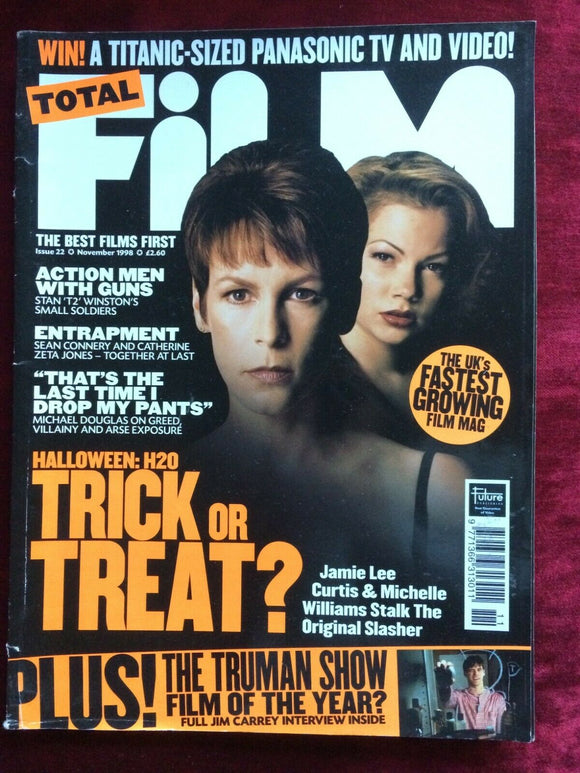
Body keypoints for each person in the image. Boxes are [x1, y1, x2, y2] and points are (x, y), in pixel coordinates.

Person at [181, 140, 470, 578]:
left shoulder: (436, 492)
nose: (270, 333)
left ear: (345, 304)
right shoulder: (147, 488)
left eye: (302, 294)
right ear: (200, 306)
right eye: (238, 294)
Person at [337, 151, 496, 448]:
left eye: (433, 266)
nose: (408, 289)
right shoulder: (305, 389)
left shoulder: (462, 383)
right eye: (384, 256)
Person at [435, 655, 507, 734]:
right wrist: (445, 684)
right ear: (465, 673)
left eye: (479, 669)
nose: (476, 674)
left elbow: (501, 730)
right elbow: (447, 701)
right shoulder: (459, 697)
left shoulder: (497, 699)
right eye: (471, 670)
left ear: (484, 672)